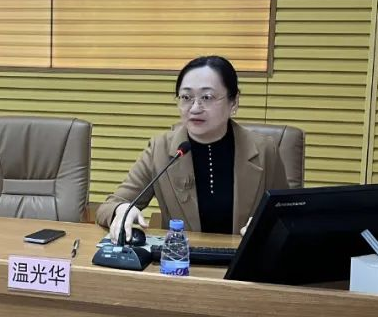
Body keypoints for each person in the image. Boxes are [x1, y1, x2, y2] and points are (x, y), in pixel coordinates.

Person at [96, 55, 290, 243]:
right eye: (186, 97)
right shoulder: (160, 150)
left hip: (244, 259)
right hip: (182, 260)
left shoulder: (265, 150)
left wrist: (269, 224)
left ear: (234, 102)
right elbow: (109, 206)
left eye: (207, 97)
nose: (195, 108)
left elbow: (290, 213)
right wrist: (121, 210)